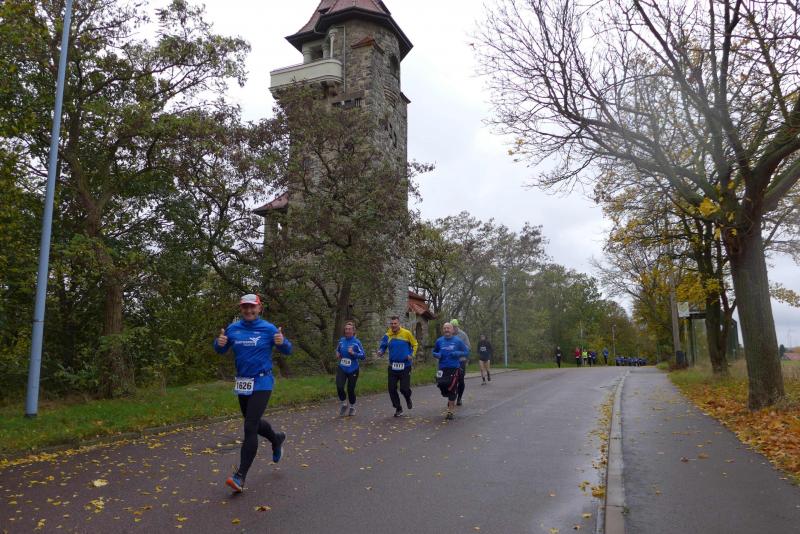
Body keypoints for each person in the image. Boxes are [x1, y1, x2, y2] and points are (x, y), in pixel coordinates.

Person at [214, 294, 292, 493]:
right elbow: (220, 350)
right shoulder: (233, 329)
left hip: (262, 382)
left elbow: (287, 350)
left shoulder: (268, 328)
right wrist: (219, 343)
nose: (248, 310)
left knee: (249, 426)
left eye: (252, 307)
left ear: (259, 308)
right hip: (243, 383)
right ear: (241, 309)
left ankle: (240, 476)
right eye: (245, 307)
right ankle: (276, 438)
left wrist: (282, 342)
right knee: (253, 423)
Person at [378, 316, 418, 417]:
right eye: (391, 324)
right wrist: (380, 351)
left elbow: (415, 344)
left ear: (399, 324)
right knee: (391, 388)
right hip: (392, 366)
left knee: (404, 389)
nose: (393, 325)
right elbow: (383, 347)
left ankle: (407, 398)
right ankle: (398, 408)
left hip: (405, 366)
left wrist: (412, 355)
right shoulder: (387, 335)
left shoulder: (407, 333)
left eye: (395, 323)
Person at [433, 323, 470, 420]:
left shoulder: (458, 341)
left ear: (452, 330)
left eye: (448, 328)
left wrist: (458, 353)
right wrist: (437, 354)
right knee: (441, 384)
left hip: (454, 368)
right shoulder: (439, 341)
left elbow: (466, 352)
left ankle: (450, 412)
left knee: (452, 388)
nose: (446, 330)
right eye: (445, 328)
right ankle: (450, 396)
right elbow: (434, 351)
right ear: (443, 330)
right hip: (442, 368)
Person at [335, 321, 366, 416]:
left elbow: (363, 355)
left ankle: (352, 406)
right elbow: (337, 349)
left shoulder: (356, 342)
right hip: (342, 367)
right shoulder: (341, 340)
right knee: (339, 386)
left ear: (353, 331)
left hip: (353, 369)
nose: (347, 331)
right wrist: (337, 353)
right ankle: (344, 403)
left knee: (350, 389)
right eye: (346, 329)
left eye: (349, 329)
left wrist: (353, 353)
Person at [451, 319, 471, 405]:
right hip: (451, 361)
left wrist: (460, 350)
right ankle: (452, 397)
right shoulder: (448, 335)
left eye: (454, 327)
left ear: (457, 327)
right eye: (452, 327)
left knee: (460, 380)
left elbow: (468, 347)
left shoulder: (463, 334)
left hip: (461, 360)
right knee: (451, 380)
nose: (453, 329)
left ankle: (459, 398)